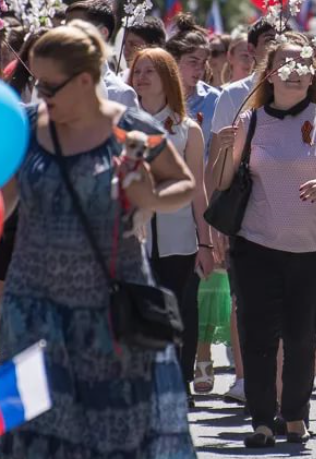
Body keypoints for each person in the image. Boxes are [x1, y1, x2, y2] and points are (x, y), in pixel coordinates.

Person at [0, 22, 196, 458]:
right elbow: (3, 200)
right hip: (32, 309)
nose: (40, 94)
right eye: (37, 83)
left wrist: (148, 196)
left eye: (50, 85)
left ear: (86, 80)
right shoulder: (26, 129)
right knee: (31, 429)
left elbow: (184, 184)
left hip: (108, 312)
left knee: (111, 433)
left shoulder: (131, 129)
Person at [213, 33, 316, 448]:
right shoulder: (249, 122)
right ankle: (261, 420)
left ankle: (295, 415)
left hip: (311, 249)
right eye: (285, 63)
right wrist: (221, 151)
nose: (294, 70)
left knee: (302, 338)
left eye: (302, 62)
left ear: (312, 74)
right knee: (258, 336)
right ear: (269, 74)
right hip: (256, 246)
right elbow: (220, 183)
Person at [130, 47, 216, 405]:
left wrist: (206, 243)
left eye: (151, 71)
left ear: (167, 78)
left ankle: (179, 381)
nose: (142, 77)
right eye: (138, 71)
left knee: (180, 309)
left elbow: (198, 189)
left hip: (179, 238)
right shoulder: (121, 123)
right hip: (132, 237)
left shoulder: (186, 129)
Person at [206, 17, 277, 405]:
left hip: (289, 210)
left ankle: (282, 378)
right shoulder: (232, 97)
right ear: (252, 50)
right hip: (243, 210)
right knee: (243, 298)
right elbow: (218, 159)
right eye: (268, 42)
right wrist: (216, 223)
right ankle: (244, 374)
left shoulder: (309, 97)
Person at [64, 0, 139, 109]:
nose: (67, 36)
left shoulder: (121, 95)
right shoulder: (57, 84)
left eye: (77, 29)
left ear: (103, 33)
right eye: (65, 29)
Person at [165, 15, 221, 150]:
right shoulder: (156, 95)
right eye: (193, 61)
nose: (200, 69)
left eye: (203, 63)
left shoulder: (214, 99)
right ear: (174, 60)